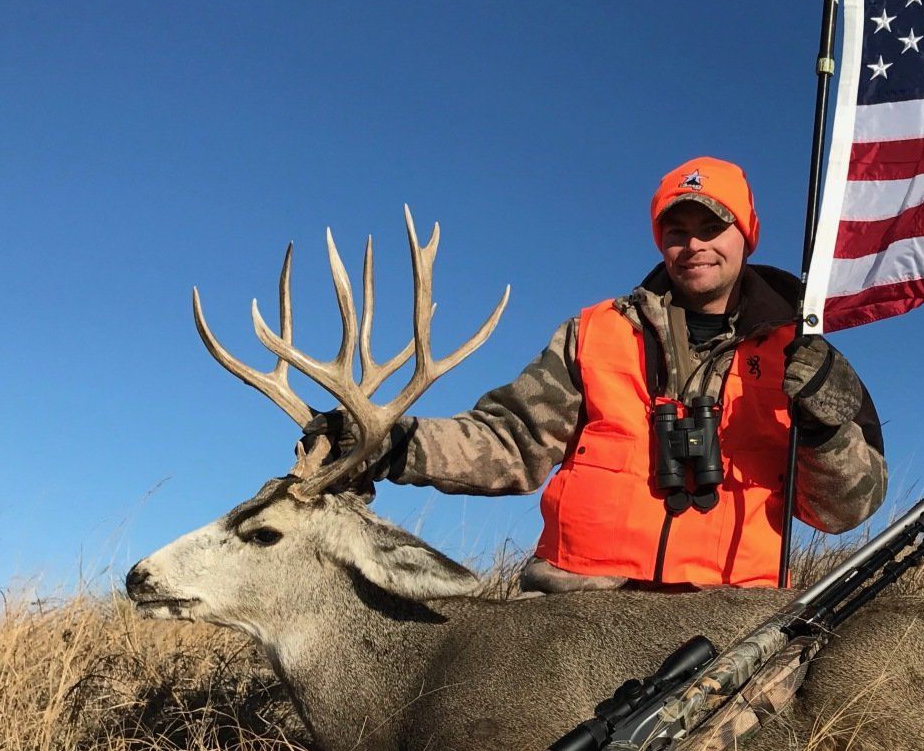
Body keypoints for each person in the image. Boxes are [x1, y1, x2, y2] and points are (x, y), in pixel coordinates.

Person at [314, 157, 885, 591]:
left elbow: (843, 512)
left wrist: (826, 432)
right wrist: (390, 444)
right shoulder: (597, 332)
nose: (693, 245)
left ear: (747, 233)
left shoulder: (805, 357)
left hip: (727, 623)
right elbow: (510, 444)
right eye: (676, 229)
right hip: (576, 605)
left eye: (711, 227)